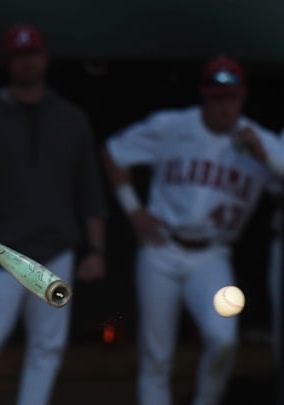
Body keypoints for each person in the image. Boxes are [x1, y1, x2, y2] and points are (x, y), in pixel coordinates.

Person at [101, 56, 284, 405]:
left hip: (212, 255)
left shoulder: (256, 139)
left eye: (230, 96)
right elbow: (113, 152)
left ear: (243, 96)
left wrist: (266, 157)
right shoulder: (174, 126)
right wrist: (134, 210)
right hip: (161, 247)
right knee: (157, 355)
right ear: (204, 95)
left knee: (223, 338)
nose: (224, 105)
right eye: (217, 96)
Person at [0, 23, 107, 405]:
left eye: (32, 55)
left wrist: (97, 250)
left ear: (45, 59)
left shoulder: (70, 118)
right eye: (20, 57)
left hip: (57, 251)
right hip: (2, 253)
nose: (28, 63)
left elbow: (90, 189)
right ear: (8, 63)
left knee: (47, 349)